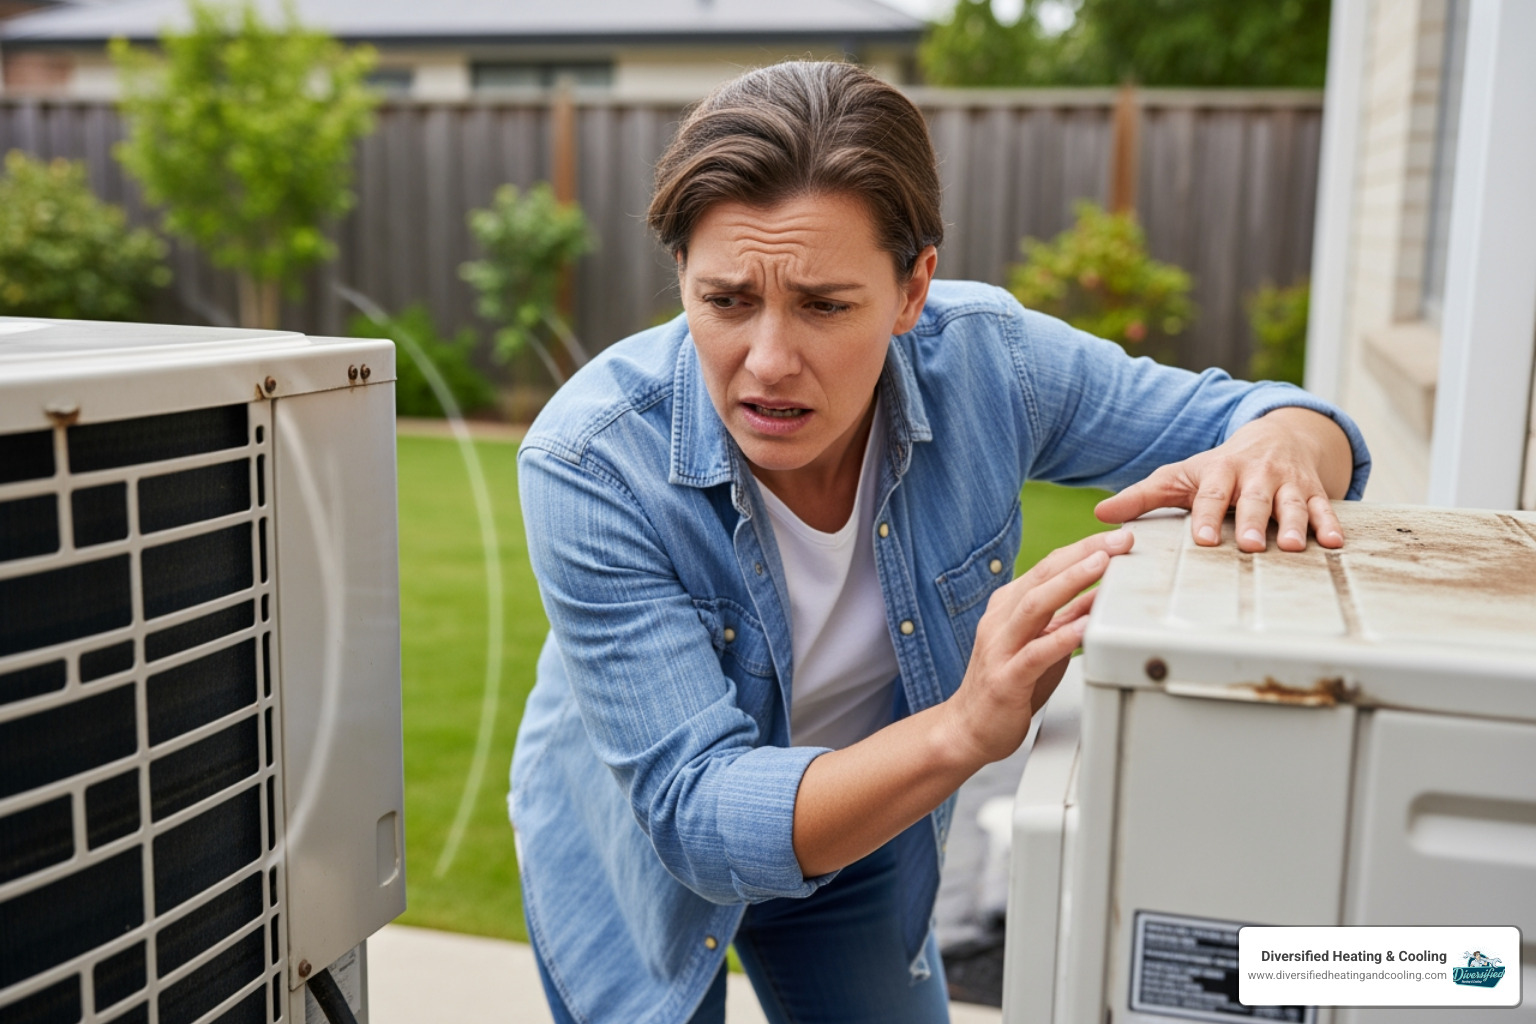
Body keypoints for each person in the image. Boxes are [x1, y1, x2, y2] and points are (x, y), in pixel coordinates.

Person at [509, 61, 1369, 1024]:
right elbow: (699, 818)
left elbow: (1279, 419)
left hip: (870, 815)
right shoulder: (590, 461)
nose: (768, 362)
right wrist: (965, 729)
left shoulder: (990, 364)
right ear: (682, 277)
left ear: (913, 288)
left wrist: (1285, 448)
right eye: (727, 301)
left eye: (825, 306)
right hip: (635, 860)